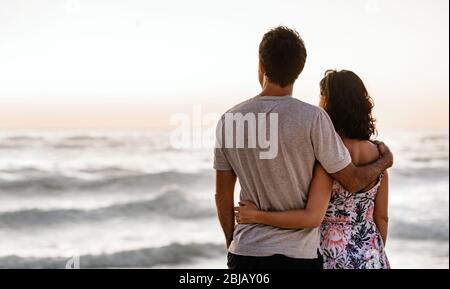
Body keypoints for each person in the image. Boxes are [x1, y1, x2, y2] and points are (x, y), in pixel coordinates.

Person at [214, 26, 393, 269]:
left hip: (246, 250)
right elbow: (352, 182)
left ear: (261, 64)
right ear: (299, 69)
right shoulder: (313, 119)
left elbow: (223, 196)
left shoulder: (230, 120)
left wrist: (232, 243)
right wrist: (384, 161)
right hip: (299, 255)